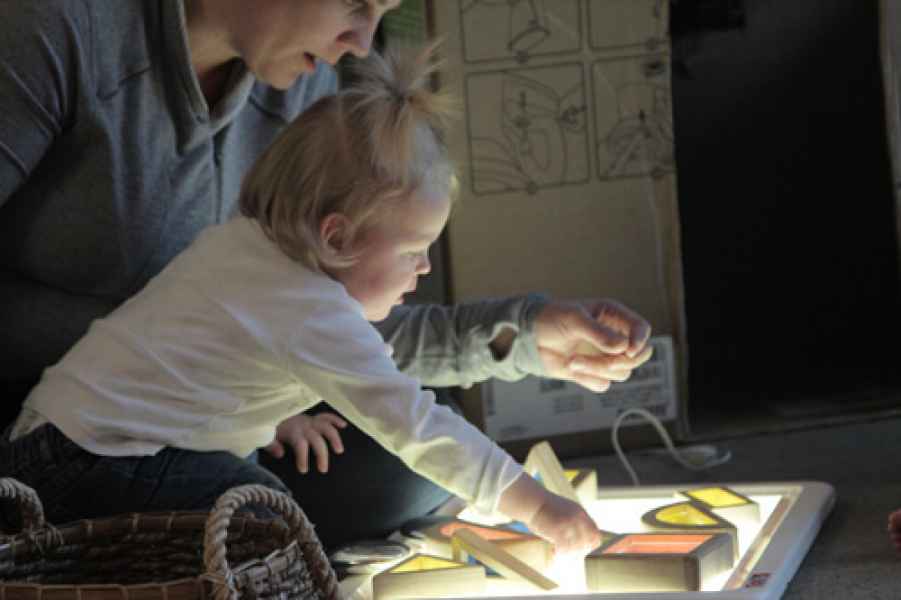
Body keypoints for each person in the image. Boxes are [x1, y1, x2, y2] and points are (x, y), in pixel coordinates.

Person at [0, 0, 651, 546]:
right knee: (265, 523)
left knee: (399, 468)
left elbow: (261, 341)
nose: (360, 41)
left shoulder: (289, 150)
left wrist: (524, 333)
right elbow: (396, 405)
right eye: (355, 2)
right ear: (334, 233)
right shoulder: (57, 30)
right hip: (71, 446)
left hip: (87, 423)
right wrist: (536, 505)